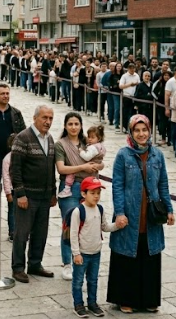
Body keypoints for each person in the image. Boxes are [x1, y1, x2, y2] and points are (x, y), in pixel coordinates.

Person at [107, 114, 174, 313]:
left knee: (150, 254)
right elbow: (117, 186)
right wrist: (120, 212)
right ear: (131, 132)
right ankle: (126, 299)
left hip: (151, 216)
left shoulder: (157, 155)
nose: (141, 134)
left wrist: (169, 209)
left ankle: (149, 299)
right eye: (137, 130)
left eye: (144, 130)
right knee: (128, 255)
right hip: (129, 213)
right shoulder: (123, 155)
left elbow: (163, 184)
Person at [10, 105, 57, 284]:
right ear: (35, 118)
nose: (48, 121)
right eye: (44, 117)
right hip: (27, 196)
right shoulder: (23, 138)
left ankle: (35, 264)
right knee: (22, 234)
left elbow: (51, 168)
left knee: (40, 233)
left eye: (50, 118)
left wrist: (52, 192)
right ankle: (18, 268)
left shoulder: (50, 138)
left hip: (44, 197)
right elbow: (15, 168)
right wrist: (20, 193)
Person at [56, 114, 105, 281]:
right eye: (70, 124)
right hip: (70, 188)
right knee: (70, 225)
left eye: (76, 124)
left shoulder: (88, 142)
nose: (73, 127)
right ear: (65, 126)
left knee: (88, 224)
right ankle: (67, 263)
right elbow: (61, 169)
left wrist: (99, 165)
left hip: (89, 187)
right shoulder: (61, 144)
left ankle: (83, 262)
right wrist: (83, 167)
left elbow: (100, 160)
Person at [70, 177, 122, 318]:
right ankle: (78, 304)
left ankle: (92, 303)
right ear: (83, 194)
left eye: (98, 193)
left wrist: (117, 225)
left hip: (96, 253)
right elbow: (73, 234)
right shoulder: (78, 211)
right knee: (78, 281)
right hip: (82, 253)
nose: (96, 196)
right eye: (92, 193)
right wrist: (76, 253)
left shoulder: (100, 209)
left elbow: (105, 227)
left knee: (93, 280)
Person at [1, 133, 17, 242]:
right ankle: (12, 231)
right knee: (12, 211)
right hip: (12, 189)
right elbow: (6, 176)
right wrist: (7, 192)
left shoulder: (25, 157)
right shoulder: (7, 158)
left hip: (25, 189)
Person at [119, 62, 140, 131]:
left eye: (133, 68)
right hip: (127, 96)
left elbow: (139, 84)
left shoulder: (136, 76)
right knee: (126, 112)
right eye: (130, 68)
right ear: (128, 69)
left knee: (133, 112)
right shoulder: (124, 76)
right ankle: (125, 126)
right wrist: (130, 84)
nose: (132, 70)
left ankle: (132, 126)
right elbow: (121, 86)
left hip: (134, 96)